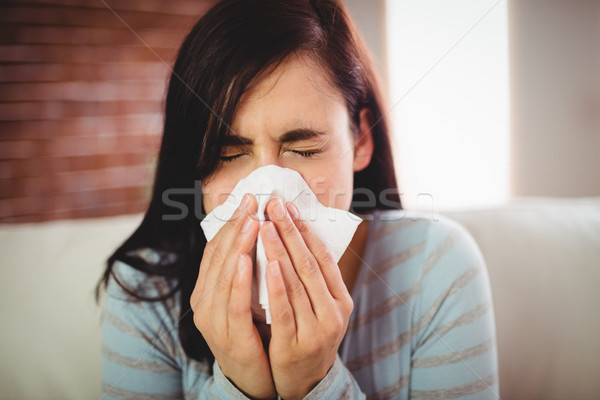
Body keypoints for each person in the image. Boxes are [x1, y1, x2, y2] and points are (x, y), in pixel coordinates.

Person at [97, 0, 499, 399]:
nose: (270, 192)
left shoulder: (436, 267)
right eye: (229, 155)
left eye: (304, 150)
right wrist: (239, 384)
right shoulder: (143, 291)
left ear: (360, 140)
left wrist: (316, 382)